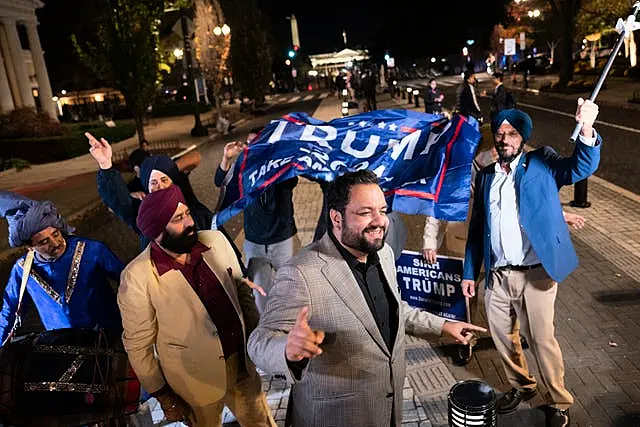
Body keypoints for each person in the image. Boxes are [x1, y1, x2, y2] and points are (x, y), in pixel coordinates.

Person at [247, 170, 486, 427]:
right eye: (365, 213)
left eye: (382, 210)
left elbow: (394, 310)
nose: (379, 221)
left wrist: (443, 326)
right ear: (336, 218)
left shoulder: (384, 254)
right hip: (335, 418)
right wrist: (287, 349)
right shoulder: (301, 272)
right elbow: (259, 342)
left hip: (386, 409)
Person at [461, 100, 601, 427]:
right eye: (499, 132)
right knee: (501, 336)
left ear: (522, 138)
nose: (504, 138)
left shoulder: (541, 162)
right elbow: (478, 227)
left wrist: (587, 128)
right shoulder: (485, 177)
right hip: (498, 275)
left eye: (511, 133)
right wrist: (470, 271)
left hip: (536, 274)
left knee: (540, 339)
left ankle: (559, 402)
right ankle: (521, 385)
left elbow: (579, 167)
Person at [118, 185, 275, 427]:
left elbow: (241, 291)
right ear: (157, 231)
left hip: (242, 364)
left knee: (260, 421)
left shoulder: (215, 241)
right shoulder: (138, 277)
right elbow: (138, 345)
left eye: (187, 213)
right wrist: (163, 396)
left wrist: (257, 341)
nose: (189, 222)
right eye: (178, 219)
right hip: (194, 381)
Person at [0, 192, 123, 344]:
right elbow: (9, 313)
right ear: (29, 247)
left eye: (56, 233)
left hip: (108, 340)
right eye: (44, 242)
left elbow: (129, 283)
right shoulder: (22, 269)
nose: (56, 243)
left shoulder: (92, 250)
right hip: (62, 350)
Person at [214, 127, 298, 313]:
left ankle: (293, 327)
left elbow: (292, 177)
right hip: (255, 243)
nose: (254, 146)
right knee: (260, 295)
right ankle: (267, 331)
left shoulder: (280, 167)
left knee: (292, 289)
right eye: (250, 142)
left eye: (259, 142)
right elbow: (220, 181)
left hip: (283, 240)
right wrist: (227, 158)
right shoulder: (244, 170)